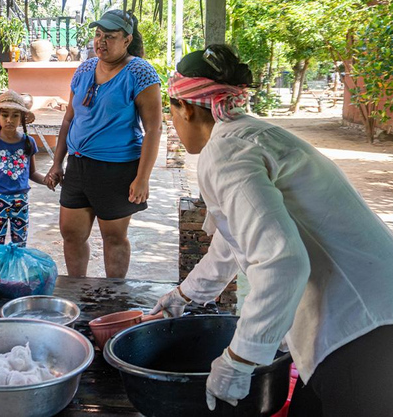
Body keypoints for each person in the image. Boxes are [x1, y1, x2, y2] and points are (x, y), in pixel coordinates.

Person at [151, 45, 393, 416]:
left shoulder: (225, 153)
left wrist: (240, 357)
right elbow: (234, 242)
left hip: (363, 330)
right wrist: (185, 296)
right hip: (374, 310)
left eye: (171, 111)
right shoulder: (252, 135)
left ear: (185, 107)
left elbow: (282, 263)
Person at [44, 9, 162, 278]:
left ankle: (115, 299)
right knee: (71, 234)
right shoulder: (85, 68)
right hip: (78, 166)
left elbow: (154, 128)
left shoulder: (140, 72)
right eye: (98, 35)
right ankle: (78, 289)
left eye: (110, 36)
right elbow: (68, 119)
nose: (101, 41)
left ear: (127, 40)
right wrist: (56, 163)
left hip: (117, 169)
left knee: (114, 238)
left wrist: (143, 178)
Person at [0, 90, 45, 252]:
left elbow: (33, 173)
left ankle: (16, 275)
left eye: (15, 115)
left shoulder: (28, 143)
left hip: (21, 201)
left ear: (22, 118)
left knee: (20, 244)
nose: (9, 120)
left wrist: (49, 180)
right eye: (5, 115)